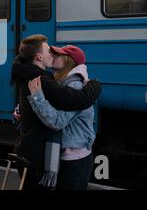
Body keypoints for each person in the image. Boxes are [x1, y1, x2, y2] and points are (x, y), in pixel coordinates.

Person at [11, 35, 101, 190]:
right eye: (50, 52)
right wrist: (21, 110)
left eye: (58, 54)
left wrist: (95, 86)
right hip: (61, 155)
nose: (52, 55)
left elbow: (57, 121)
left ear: (68, 60)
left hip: (75, 157)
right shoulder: (52, 82)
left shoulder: (74, 85)